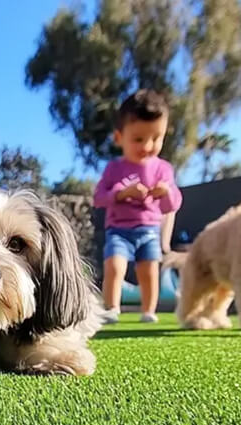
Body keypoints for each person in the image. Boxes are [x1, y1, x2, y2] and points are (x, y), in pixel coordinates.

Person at [94, 89, 183, 324]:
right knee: (114, 266)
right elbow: (99, 197)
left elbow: (172, 204)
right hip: (118, 231)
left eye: (156, 138)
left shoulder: (163, 169)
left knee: (149, 271)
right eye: (138, 139)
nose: (148, 145)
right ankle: (112, 308)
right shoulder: (113, 169)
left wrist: (166, 192)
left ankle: (148, 310)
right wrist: (122, 193)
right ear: (119, 137)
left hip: (149, 231)